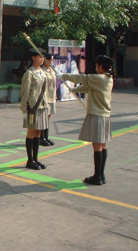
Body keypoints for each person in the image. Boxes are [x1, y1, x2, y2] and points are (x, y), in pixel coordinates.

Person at [57, 55, 114, 185]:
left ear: (100, 67)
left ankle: (97, 176)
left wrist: (63, 76)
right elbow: (89, 88)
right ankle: (101, 175)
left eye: (97, 65)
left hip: (97, 115)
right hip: (104, 115)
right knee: (103, 145)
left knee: (97, 146)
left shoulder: (98, 78)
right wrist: (75, 89)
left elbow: (81, 78)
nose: (95, 67)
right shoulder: (108, 78)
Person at [20, 50, 48, 170]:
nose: (42, 59)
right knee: (31, 132)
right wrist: (24, 108)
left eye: (43, 57)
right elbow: (25, 91)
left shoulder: (43, 72)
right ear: (33, 58)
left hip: (42, 106)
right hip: (32, 108)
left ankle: (36, 159)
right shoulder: (29, 73)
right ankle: (29, 160)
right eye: (39, 57)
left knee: (38, 132)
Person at [40, 52, 57, 146]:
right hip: (45, 97)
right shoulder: (42, 71)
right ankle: (41, 137)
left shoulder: (51, 70)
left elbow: (54, 84)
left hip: (52, 96)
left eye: (52, 60)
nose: (51, 61)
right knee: (44, 118)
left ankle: (46, 137)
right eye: (49, 59)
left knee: (48, 118)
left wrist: (55, 95)